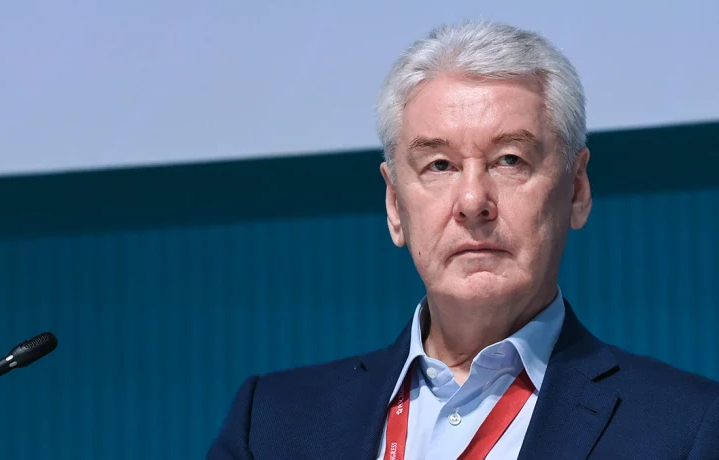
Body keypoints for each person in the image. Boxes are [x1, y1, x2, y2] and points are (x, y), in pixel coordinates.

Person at [207, 20, 719, 460]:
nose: (473, 201)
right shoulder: (271, 422)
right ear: (394, 205)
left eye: (509, 160)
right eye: (439, 165)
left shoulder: (685, 428)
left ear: (577, 190)